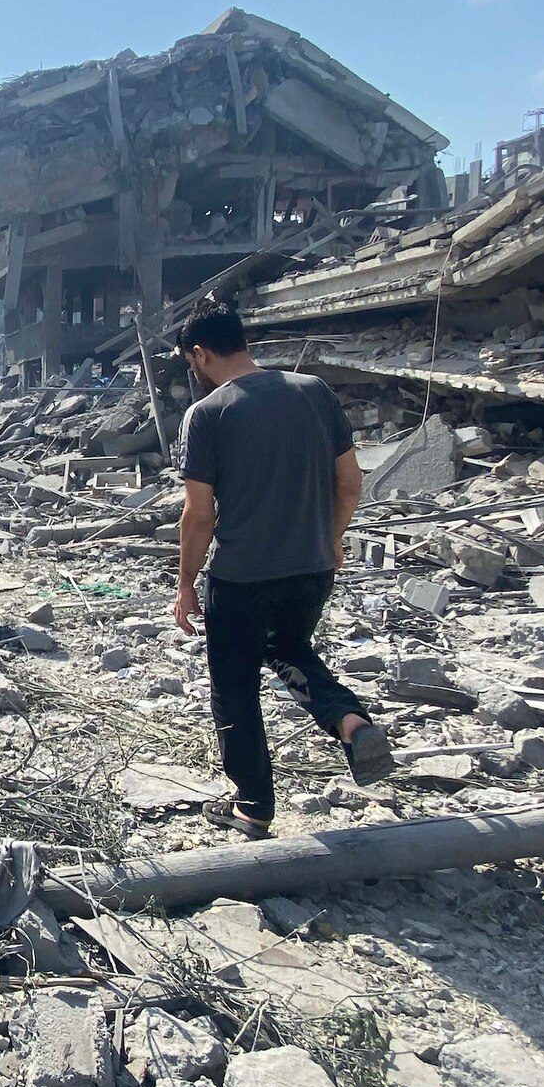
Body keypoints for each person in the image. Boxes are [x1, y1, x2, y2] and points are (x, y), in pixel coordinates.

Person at [172, 302, 393, 838]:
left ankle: (253, 806)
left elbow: (198, 516)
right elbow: (351, 483)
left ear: (200, 354)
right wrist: (332, 540)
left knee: (235, 687)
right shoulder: (313, 391)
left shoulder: (207, 415)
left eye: (190, 362)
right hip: (311, 566)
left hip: (242, 576)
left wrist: (184, 585)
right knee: (288, 649)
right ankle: (349, 721)